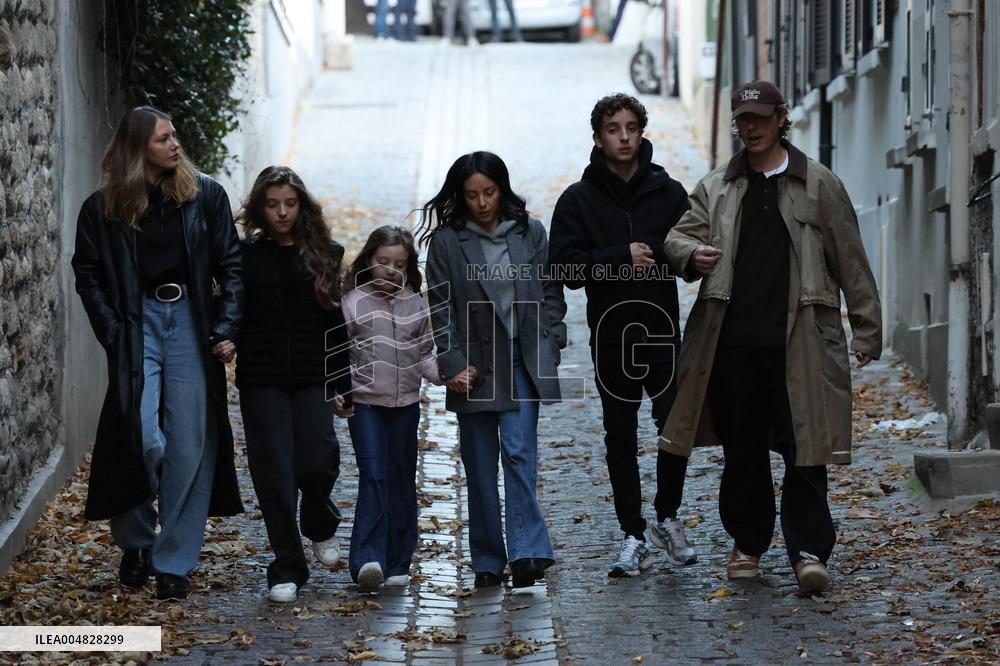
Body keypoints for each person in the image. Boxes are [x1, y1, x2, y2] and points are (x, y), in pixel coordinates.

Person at [659, 80, 882, 593]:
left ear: (782, 118)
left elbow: (850, 258)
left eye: (760, 118)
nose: (751, 128)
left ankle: (808, 551)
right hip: (731, 345)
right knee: (743, 451)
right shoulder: (717, 187)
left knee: (807, 448)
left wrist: (867, 329)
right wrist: (690, 254)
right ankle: (748, 542)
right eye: (743, 120)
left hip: (801, 342)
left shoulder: (819, 184)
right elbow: (678, 237)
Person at [71, 106, 243, 601]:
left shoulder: (205, 195)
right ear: (136, 148)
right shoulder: (102, 208)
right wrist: (112, 331)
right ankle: (137, 541)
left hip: (190, 320)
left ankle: (174, 562)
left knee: (189, 445)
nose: (175, 145)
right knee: (139, 436)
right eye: (163, 139)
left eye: (174, 136)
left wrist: (226, 325)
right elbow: (87, 272)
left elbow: (231, 264)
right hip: (137, 323)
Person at [548, 93, 696, 578]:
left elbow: (687, 254)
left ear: (642, 132)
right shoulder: (578, 199)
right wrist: (618, 257)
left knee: (673, 426)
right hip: (611, 334)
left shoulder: (669, 192)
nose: (624, 137)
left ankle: (667, 517)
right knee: (620, 434)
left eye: (631, 127)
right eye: (613, 129)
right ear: (598, 137)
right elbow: (564, 269)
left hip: (661, 330)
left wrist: (692, 259)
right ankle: (632, 534)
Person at [421, 151, 566, 589]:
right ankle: (487, 559)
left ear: (502, 189)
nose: (482, 202)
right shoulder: (447, 242)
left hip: (522, 356)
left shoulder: (529, 232)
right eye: (472, 195)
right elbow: (440, 306)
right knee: (480, 466)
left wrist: (552, 338)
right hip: (474, 363)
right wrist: (451, 363)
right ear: (460, 196)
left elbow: (549, 288)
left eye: (489, 192)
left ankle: (526, 553)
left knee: (519, 454)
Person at [234, 166, 351, 604]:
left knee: (319, 460)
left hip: (312, 374)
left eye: (290, 203)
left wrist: (343, 382)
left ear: (302, 206)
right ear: (260, 209)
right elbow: (232, 308)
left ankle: (319, 523)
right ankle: (287, 565)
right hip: (261, 378)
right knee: (274, 473)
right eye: (272, 204)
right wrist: (225, 338)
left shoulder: (325, 254)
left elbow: (335, 323)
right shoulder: (244, 256)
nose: (282, 212)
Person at [338, 225, 440, 593]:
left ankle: (398, 560)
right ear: (368, 259)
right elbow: (336, 354)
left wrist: (447, 375)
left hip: (405, 407)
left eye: (399, 264)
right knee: (374, 475)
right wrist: (337, 390)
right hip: (366, 405)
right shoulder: (353, 302)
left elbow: (424, 354)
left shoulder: (416, 304)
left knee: (401, 478)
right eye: (383, 262)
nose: (390, 271)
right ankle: (368, 559)